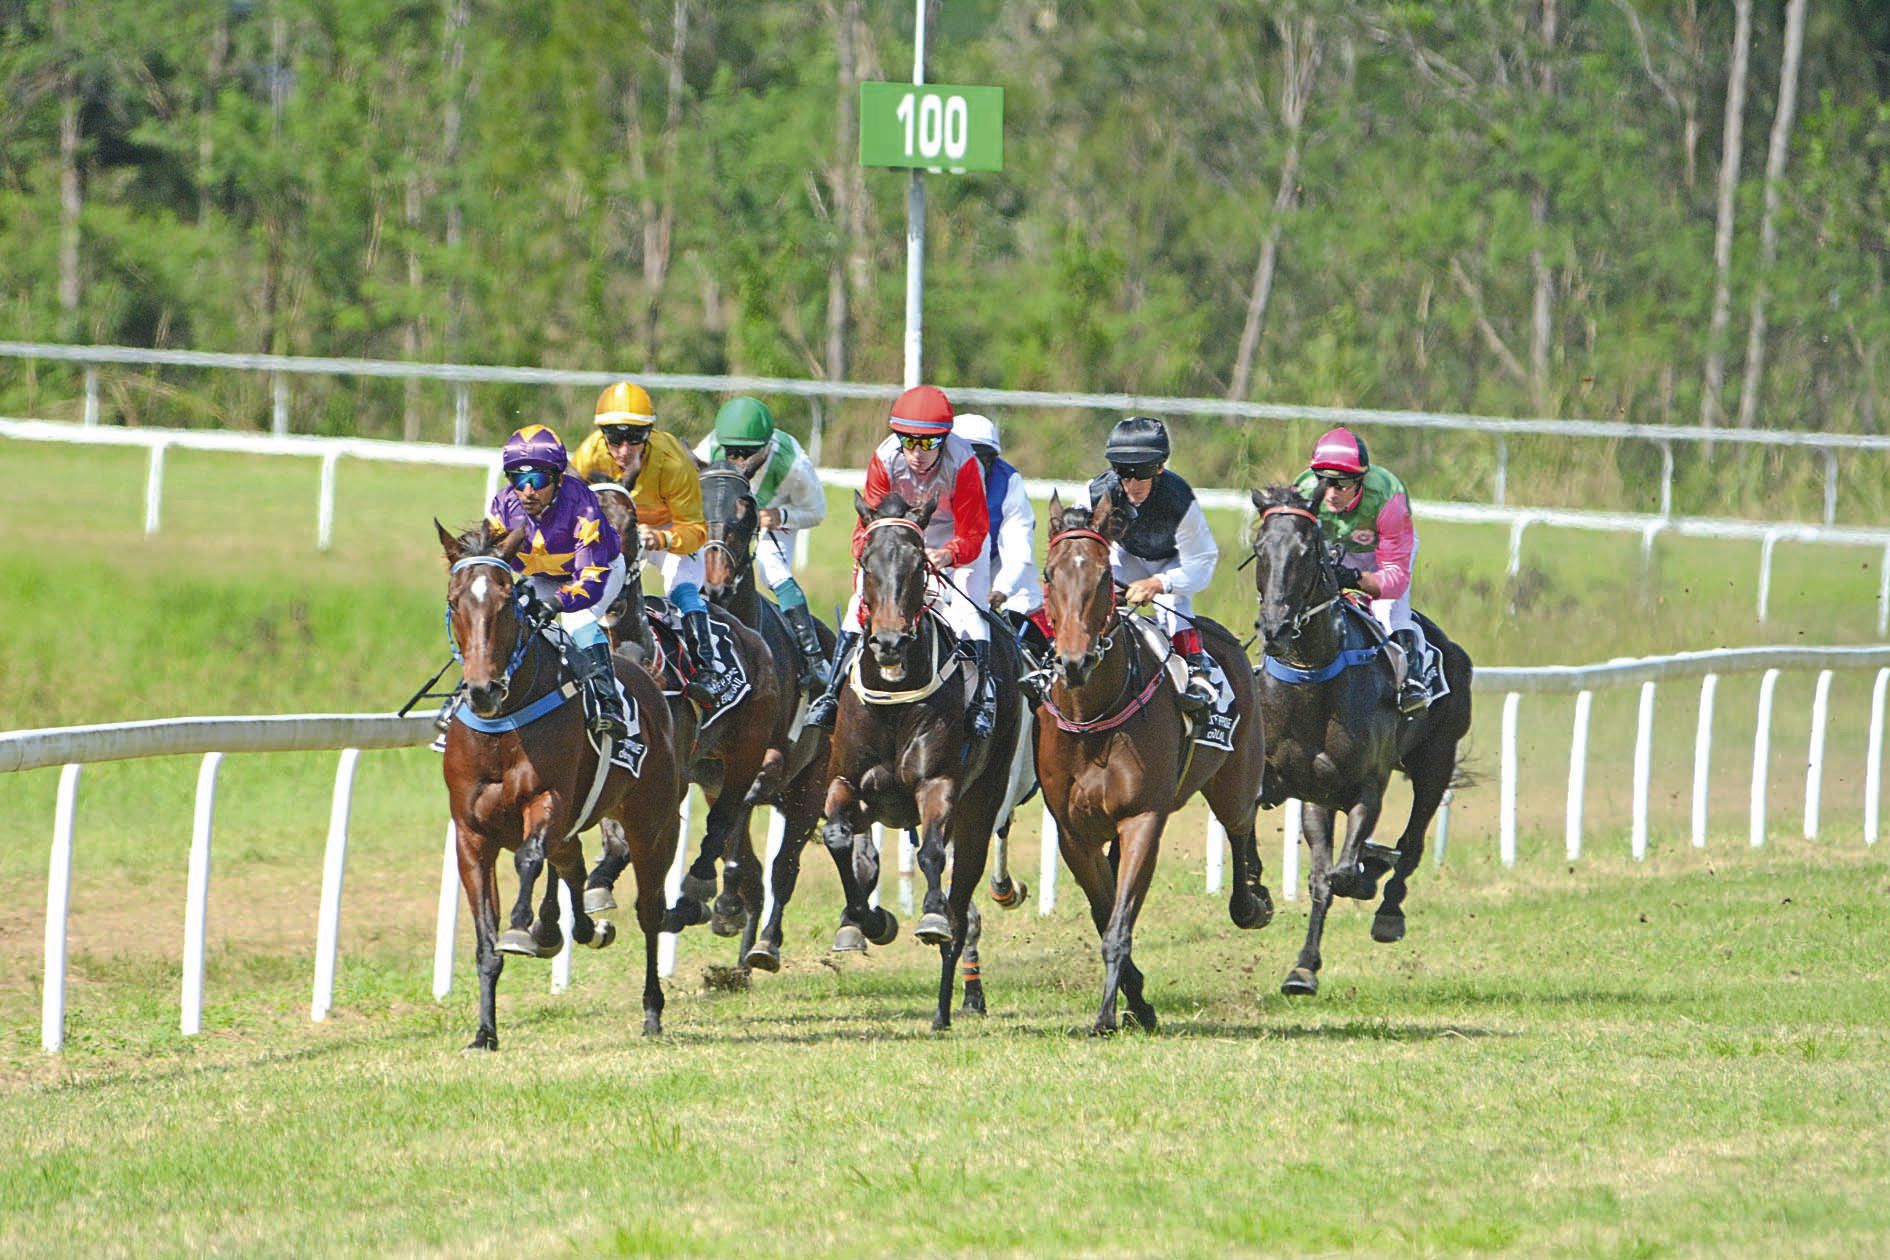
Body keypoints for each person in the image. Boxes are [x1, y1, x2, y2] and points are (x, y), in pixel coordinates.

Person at [804, 384, 998, 738]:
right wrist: (872, 556)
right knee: (856, 606)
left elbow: (975, 531)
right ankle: (831, 694)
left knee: (970, 611)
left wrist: (947, 554)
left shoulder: (965, 463)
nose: (918, 453)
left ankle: (983, 698)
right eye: (909, 441)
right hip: (900, 539)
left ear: (944, 439)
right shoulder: (884, 458)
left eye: (928, 443)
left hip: (957, 539)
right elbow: (868, 525)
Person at [569, 380, 729, 706]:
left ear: (650, 433)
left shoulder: (673, 462)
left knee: (680, 586)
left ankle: (708, 668)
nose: (624, 449)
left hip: (671, 530)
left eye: (635, 437)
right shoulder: (588, 455)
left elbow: (696, 530)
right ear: (602, 434)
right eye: (614, 438)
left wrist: (663, 538)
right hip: (617, 531)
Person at [484, 424, 630, 739]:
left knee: (576, 621)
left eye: (537, 480)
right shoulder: (502, 507)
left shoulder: (582, 505)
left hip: (599, 570)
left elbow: (589, 580)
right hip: (542, 575)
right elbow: (490, 559)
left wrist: (555, 602)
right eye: (518, 479)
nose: (527, 491)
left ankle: (608, 702)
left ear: (558, 478)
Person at [1074, 415, 1219, 712]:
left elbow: (1203, 562)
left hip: (1172, 561)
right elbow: (1077, 546)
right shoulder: (1095, 492)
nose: (1133, 484)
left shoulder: (1179, 499)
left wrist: (1159, 583)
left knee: (1175, 608)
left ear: (1161, 467)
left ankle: (1197, 674)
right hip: (1125, 556)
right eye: (1124, 473)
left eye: (1144, 473)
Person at [693, 396, 831, 688]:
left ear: (767, 446)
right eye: (733, 453)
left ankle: (813, 658)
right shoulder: (709, 447)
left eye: (749, 453)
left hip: (777, 512)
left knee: (771, 568)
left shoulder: (795, 467)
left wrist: (779, 515)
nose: (740, 460)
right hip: (730, 516)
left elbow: (817, 512)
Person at [1293, 425, 1430, 714]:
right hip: (1335, 548)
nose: (1330, 493)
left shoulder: (1388, 497)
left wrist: (1356, 579)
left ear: (1360, 481)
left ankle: (1411, 680)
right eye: (1323, 481)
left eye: (1341, 485)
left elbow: (1395, 578)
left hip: (1385, 556)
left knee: (1386, 611)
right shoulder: (1303, 492)